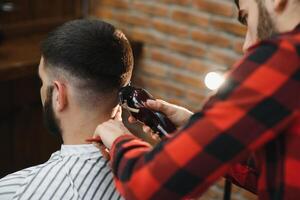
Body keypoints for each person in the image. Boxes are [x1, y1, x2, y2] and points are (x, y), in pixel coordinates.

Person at [93, 0, 300, 199]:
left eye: (246, 17)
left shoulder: (286, 59)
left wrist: (120, 140)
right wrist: (192, 128)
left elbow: (148, 185)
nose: (248, 45)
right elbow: (279, 172)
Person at [0, 19, 133, 199]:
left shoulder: (15, 191)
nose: (40, 90)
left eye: (42, 82)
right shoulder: (164, 179)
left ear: (58, 94)